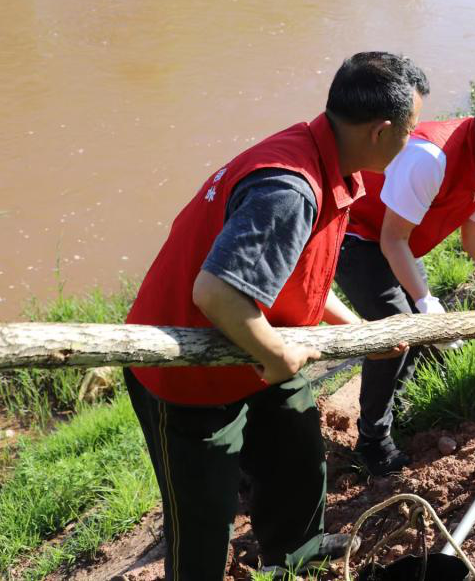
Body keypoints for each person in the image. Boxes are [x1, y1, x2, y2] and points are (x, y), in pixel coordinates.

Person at [123, 51, 429, 579]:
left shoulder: (326, 158)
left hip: (255, 339)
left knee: (296, 450)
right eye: (409, 131)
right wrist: (277, 355)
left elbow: (294, 275)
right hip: (189, 366)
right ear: (381, 131)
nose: (411, 141)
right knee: (203, 512)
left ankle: (296, 553)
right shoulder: (289, 188)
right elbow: (217, 293)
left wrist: (357, 332)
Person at [335, 85, 475, 476]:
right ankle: (373, 441)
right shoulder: (430, 157)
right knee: (398, 330)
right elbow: (392, 239)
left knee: (417, 327)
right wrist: (426, 302)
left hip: (399, 241)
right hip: (356, 235)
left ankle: (394, 408)